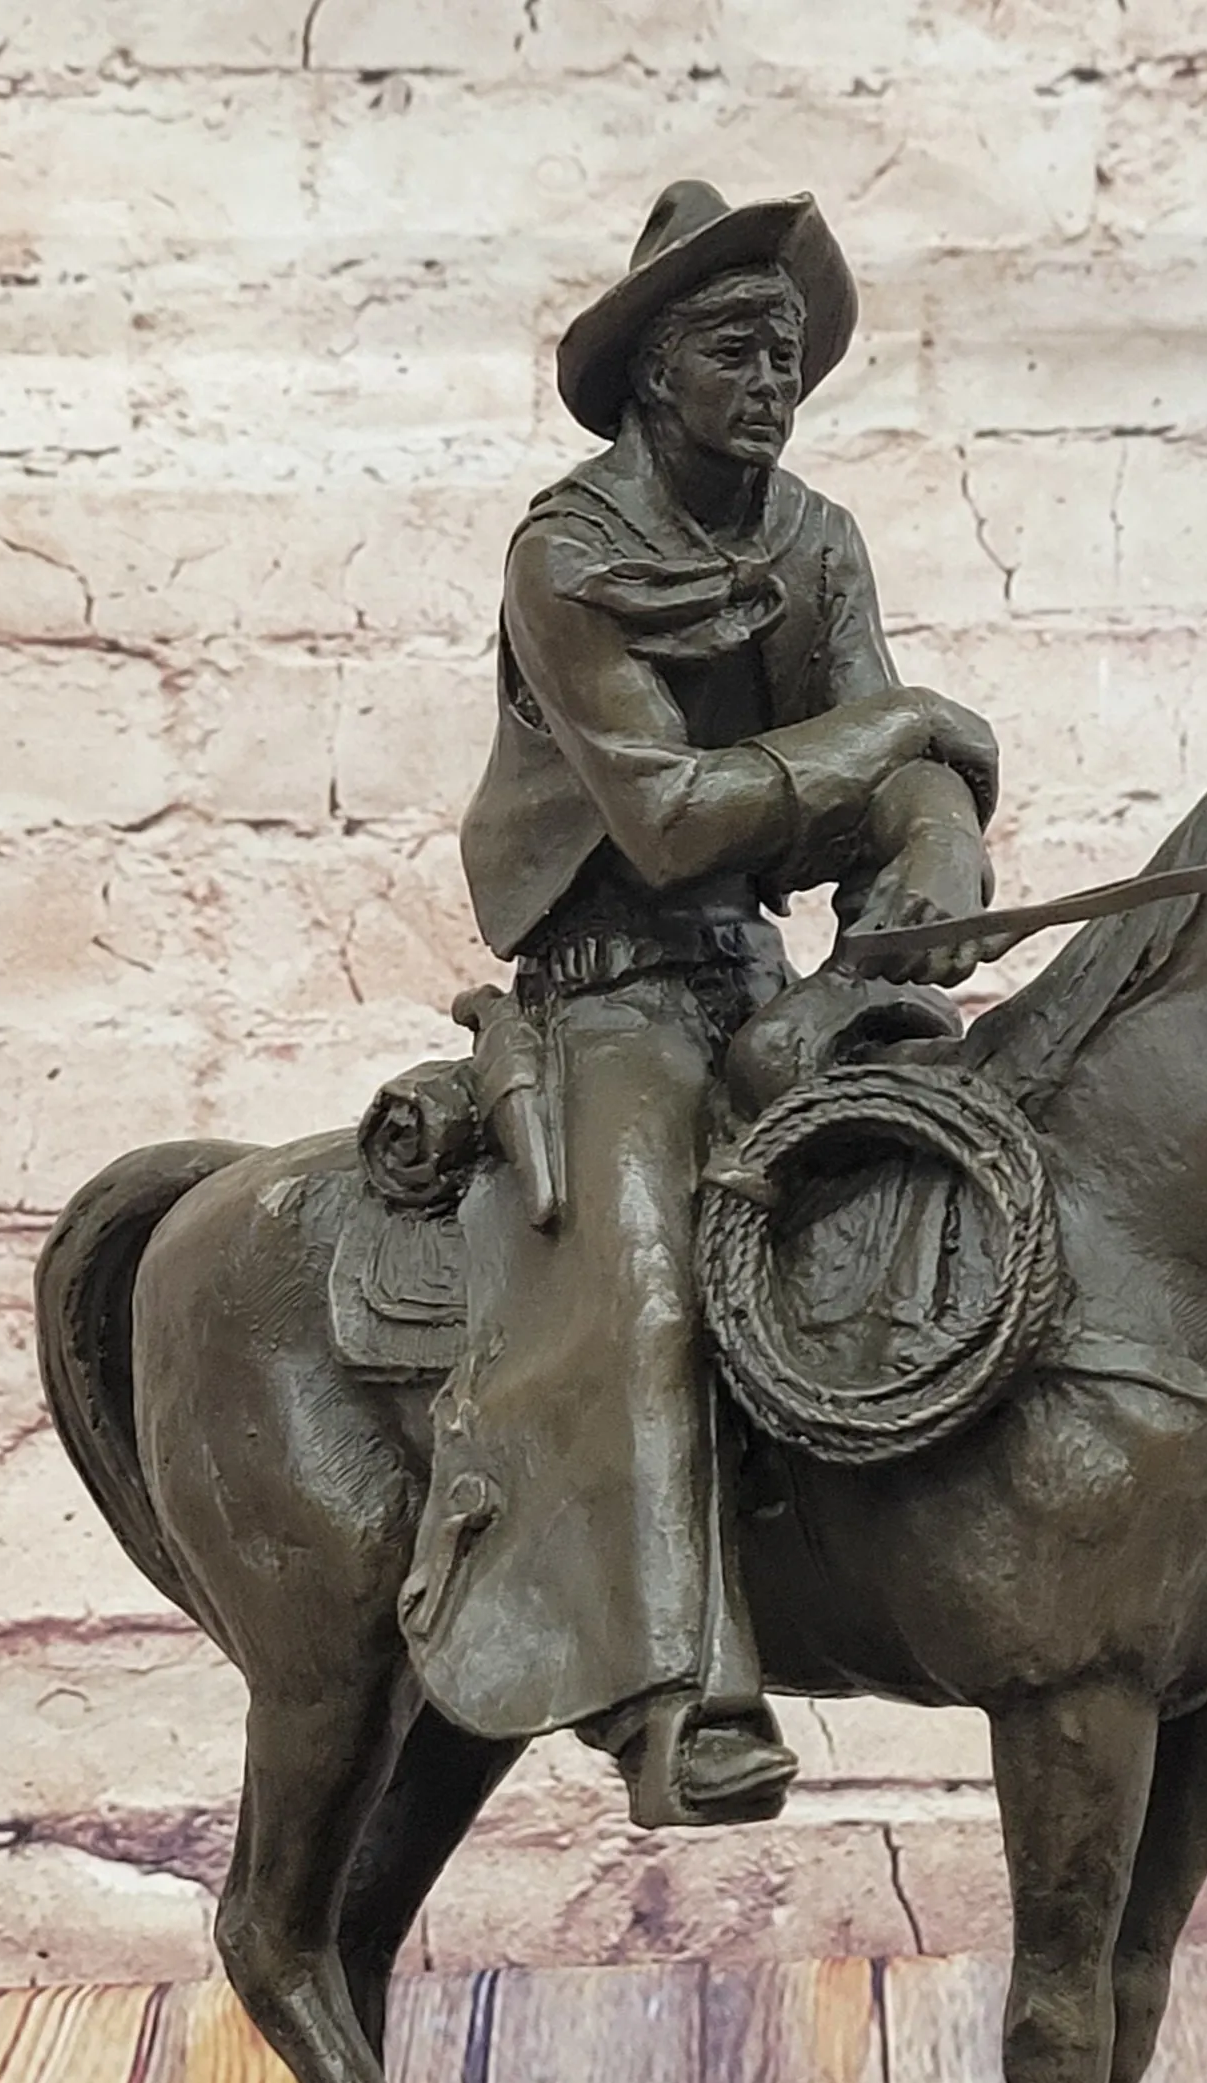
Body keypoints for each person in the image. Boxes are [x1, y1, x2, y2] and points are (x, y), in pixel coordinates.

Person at [410, 180, 1001, 1827]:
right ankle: (681, 1691)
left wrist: (936, 850)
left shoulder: (815, 541)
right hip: (609, 1000)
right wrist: (896, 744)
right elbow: (666, 816)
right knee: (649, 1283)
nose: (773, 382)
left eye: (790, 355)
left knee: (993, 1185)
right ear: (655, 370)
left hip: (771, 979)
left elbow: (896, 743)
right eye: (740, 349)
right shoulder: (570, 551)